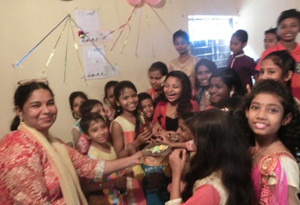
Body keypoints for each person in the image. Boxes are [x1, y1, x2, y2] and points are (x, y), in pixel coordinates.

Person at [0, 80, 143, 204]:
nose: (46, 110)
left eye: (50, 103)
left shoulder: (54, 144)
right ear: (19, 111)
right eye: (36, 105)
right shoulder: (18, 149)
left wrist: (134, 158)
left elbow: (90, 167)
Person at [166, 109, 256, 205]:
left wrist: (176, 174)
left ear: (207, 145)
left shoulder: (210, 189)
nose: (192, 144)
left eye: (195, 140)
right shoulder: (233, 167)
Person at [238, 79, 300, 204]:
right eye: (255, 107)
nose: (261, 115)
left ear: (286, 118)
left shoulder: (282, 164)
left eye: (272, 110)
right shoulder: (250, 149)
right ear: (247, 112)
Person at [111, 80, 152, 205]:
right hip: (131, 171)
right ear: (118, 102)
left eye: (133, 96)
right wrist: (136, 143)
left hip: (147, 165)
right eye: (125, 98)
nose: (131, 100)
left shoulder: (140, 114)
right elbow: (119, 156)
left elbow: (148, 136)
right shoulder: (118, 124)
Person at [80, 113, 127, 205]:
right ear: (87, 135)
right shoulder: (94, 156)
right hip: (108, 197)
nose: (102, 132)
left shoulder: (109, 145)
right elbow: (90, 185)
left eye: (103, 127)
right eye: (95, 130)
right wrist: (113, 183)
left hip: (120, 192)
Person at [256, 9, 300, 100]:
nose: (288, 30)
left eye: (293, 25)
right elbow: (259, 77)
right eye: (283, 26)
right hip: (274, 97)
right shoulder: (268, 53)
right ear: (277, 30)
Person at [152, 71, 199, 137]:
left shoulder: (191, 105)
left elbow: (196, 132)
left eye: (175, 87)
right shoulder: (160, 105)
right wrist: (156, 125)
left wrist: (177, 136)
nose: (169, 90)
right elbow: (154, 122)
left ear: (184, 89)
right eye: (167, 86)